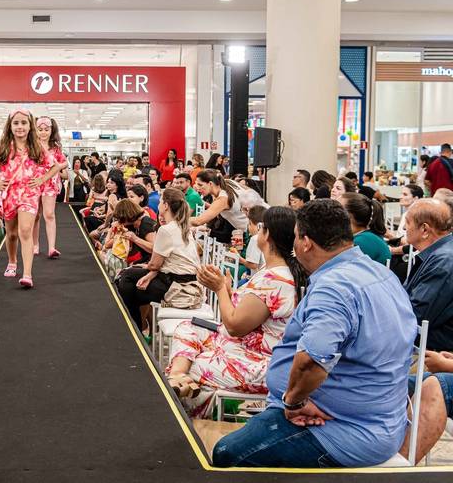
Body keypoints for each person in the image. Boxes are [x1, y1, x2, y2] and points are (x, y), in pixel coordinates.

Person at [213, 199, 416, 468]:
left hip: (341, 430)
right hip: (372, 419)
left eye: (296, 238)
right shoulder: (379, 273)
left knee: (226, 453)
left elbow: (311, 361)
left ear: (306, 243)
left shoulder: (335, 287)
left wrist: (294, 403)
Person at [167, 207, 304, 418]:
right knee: (188, 328)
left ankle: (189, 398)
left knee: (195, 364)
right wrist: (228, 291)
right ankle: (178, 377)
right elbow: (248, 313)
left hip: (259, 360)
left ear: (267, 234)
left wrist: (220, 289)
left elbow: (234, 326)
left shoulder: (274, 279)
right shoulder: (273, 271)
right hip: (244, 346)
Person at [0, 108, 63, 288]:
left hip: (29, 195)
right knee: (11, 234)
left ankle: (27, 274)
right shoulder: (4, 148)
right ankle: (12, 261)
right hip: (9, 195)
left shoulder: (36, 148)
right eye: (16, 123)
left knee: (25, 230)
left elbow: (55, 166)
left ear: (30, 126)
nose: (20, 126)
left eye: (24, 122)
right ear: (10, 126)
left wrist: (42, 179)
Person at [116, 188, 199, 330]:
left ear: (165, 205)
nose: (158, 204)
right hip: (185, 281)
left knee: (127, 282)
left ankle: (136, 327)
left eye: (160, 201)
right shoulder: (181, 226)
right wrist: (149, 271)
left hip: (177, 286)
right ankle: (138, 327)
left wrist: (148, 268)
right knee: (129, 281)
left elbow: (155, 264)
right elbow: (162, 262)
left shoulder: (166, 229)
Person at [403, 198, 453, 351]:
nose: (404, 227)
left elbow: (414, 315)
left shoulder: (443, 262)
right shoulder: (441, 253)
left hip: (432, 351)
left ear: (424, 230)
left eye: (408, 222)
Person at [33, 117, 68, 259]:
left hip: (50, 184)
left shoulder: (55, 147)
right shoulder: (32, 146)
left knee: (49, 214)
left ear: (51, 130)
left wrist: (58, 167)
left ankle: (52, 247)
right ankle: (35, 245)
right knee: (35, 215)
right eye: (40, 129)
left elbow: (64, 162)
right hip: (34, 183)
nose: (43, 132)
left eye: (46, 129)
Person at [191, 170, 249, 241]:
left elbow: (199, 221)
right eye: (196, 184)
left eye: (200, 185)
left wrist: (180, 220)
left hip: (250, 231)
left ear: (210, 183)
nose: (197, 188)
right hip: (252, 226)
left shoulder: (222, 199)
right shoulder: (227, 182)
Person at [338, 192, 391, 265]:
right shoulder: (365, 236)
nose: (331, 210)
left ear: (348, 216)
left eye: (336, 208)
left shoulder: (363, 241)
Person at [239, 204, 267, 276]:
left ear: (259, 225)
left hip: (257, 277)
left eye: (250, 224)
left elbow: (253, 265)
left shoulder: (255, 239)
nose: (248, 227)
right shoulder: (268, 237)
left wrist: (239, 259)